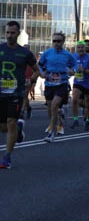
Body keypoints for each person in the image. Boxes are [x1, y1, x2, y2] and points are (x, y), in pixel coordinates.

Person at [0, 20, 37, 168]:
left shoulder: (25, 53)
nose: (9, 35)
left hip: (16, 93)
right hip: (1, 92)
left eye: (12, 33)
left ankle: (7, 157)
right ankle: (19, 129)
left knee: (11, 122)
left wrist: (31, 80)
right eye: (7, 32)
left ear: (18, 33)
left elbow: (37, 71)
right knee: (3, 127)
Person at [38, 31, 75, 142]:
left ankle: (51, 133)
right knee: (50, 109)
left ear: (63, 42)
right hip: (49, 84)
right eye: (54, 41)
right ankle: (57, 120)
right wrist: (42, 73)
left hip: (62, 84)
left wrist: (73, 70)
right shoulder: (47, 53)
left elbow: (75, 65)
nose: (56, 43)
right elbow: (39, 65)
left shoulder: (67, 54)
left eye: (59, 41)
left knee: (54, 106)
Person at [70, 40, 89, 130]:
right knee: (74, 99)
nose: (81, 49)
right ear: (76, 48)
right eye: (79, 47)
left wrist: (84, 70)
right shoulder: (73, 56)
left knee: (88, 102)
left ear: (85, 48)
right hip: (78, 82)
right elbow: (69, 68)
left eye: (82, 47)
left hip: (88, 83)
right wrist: (71, 72)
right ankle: (75, 120)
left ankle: (87, 120)